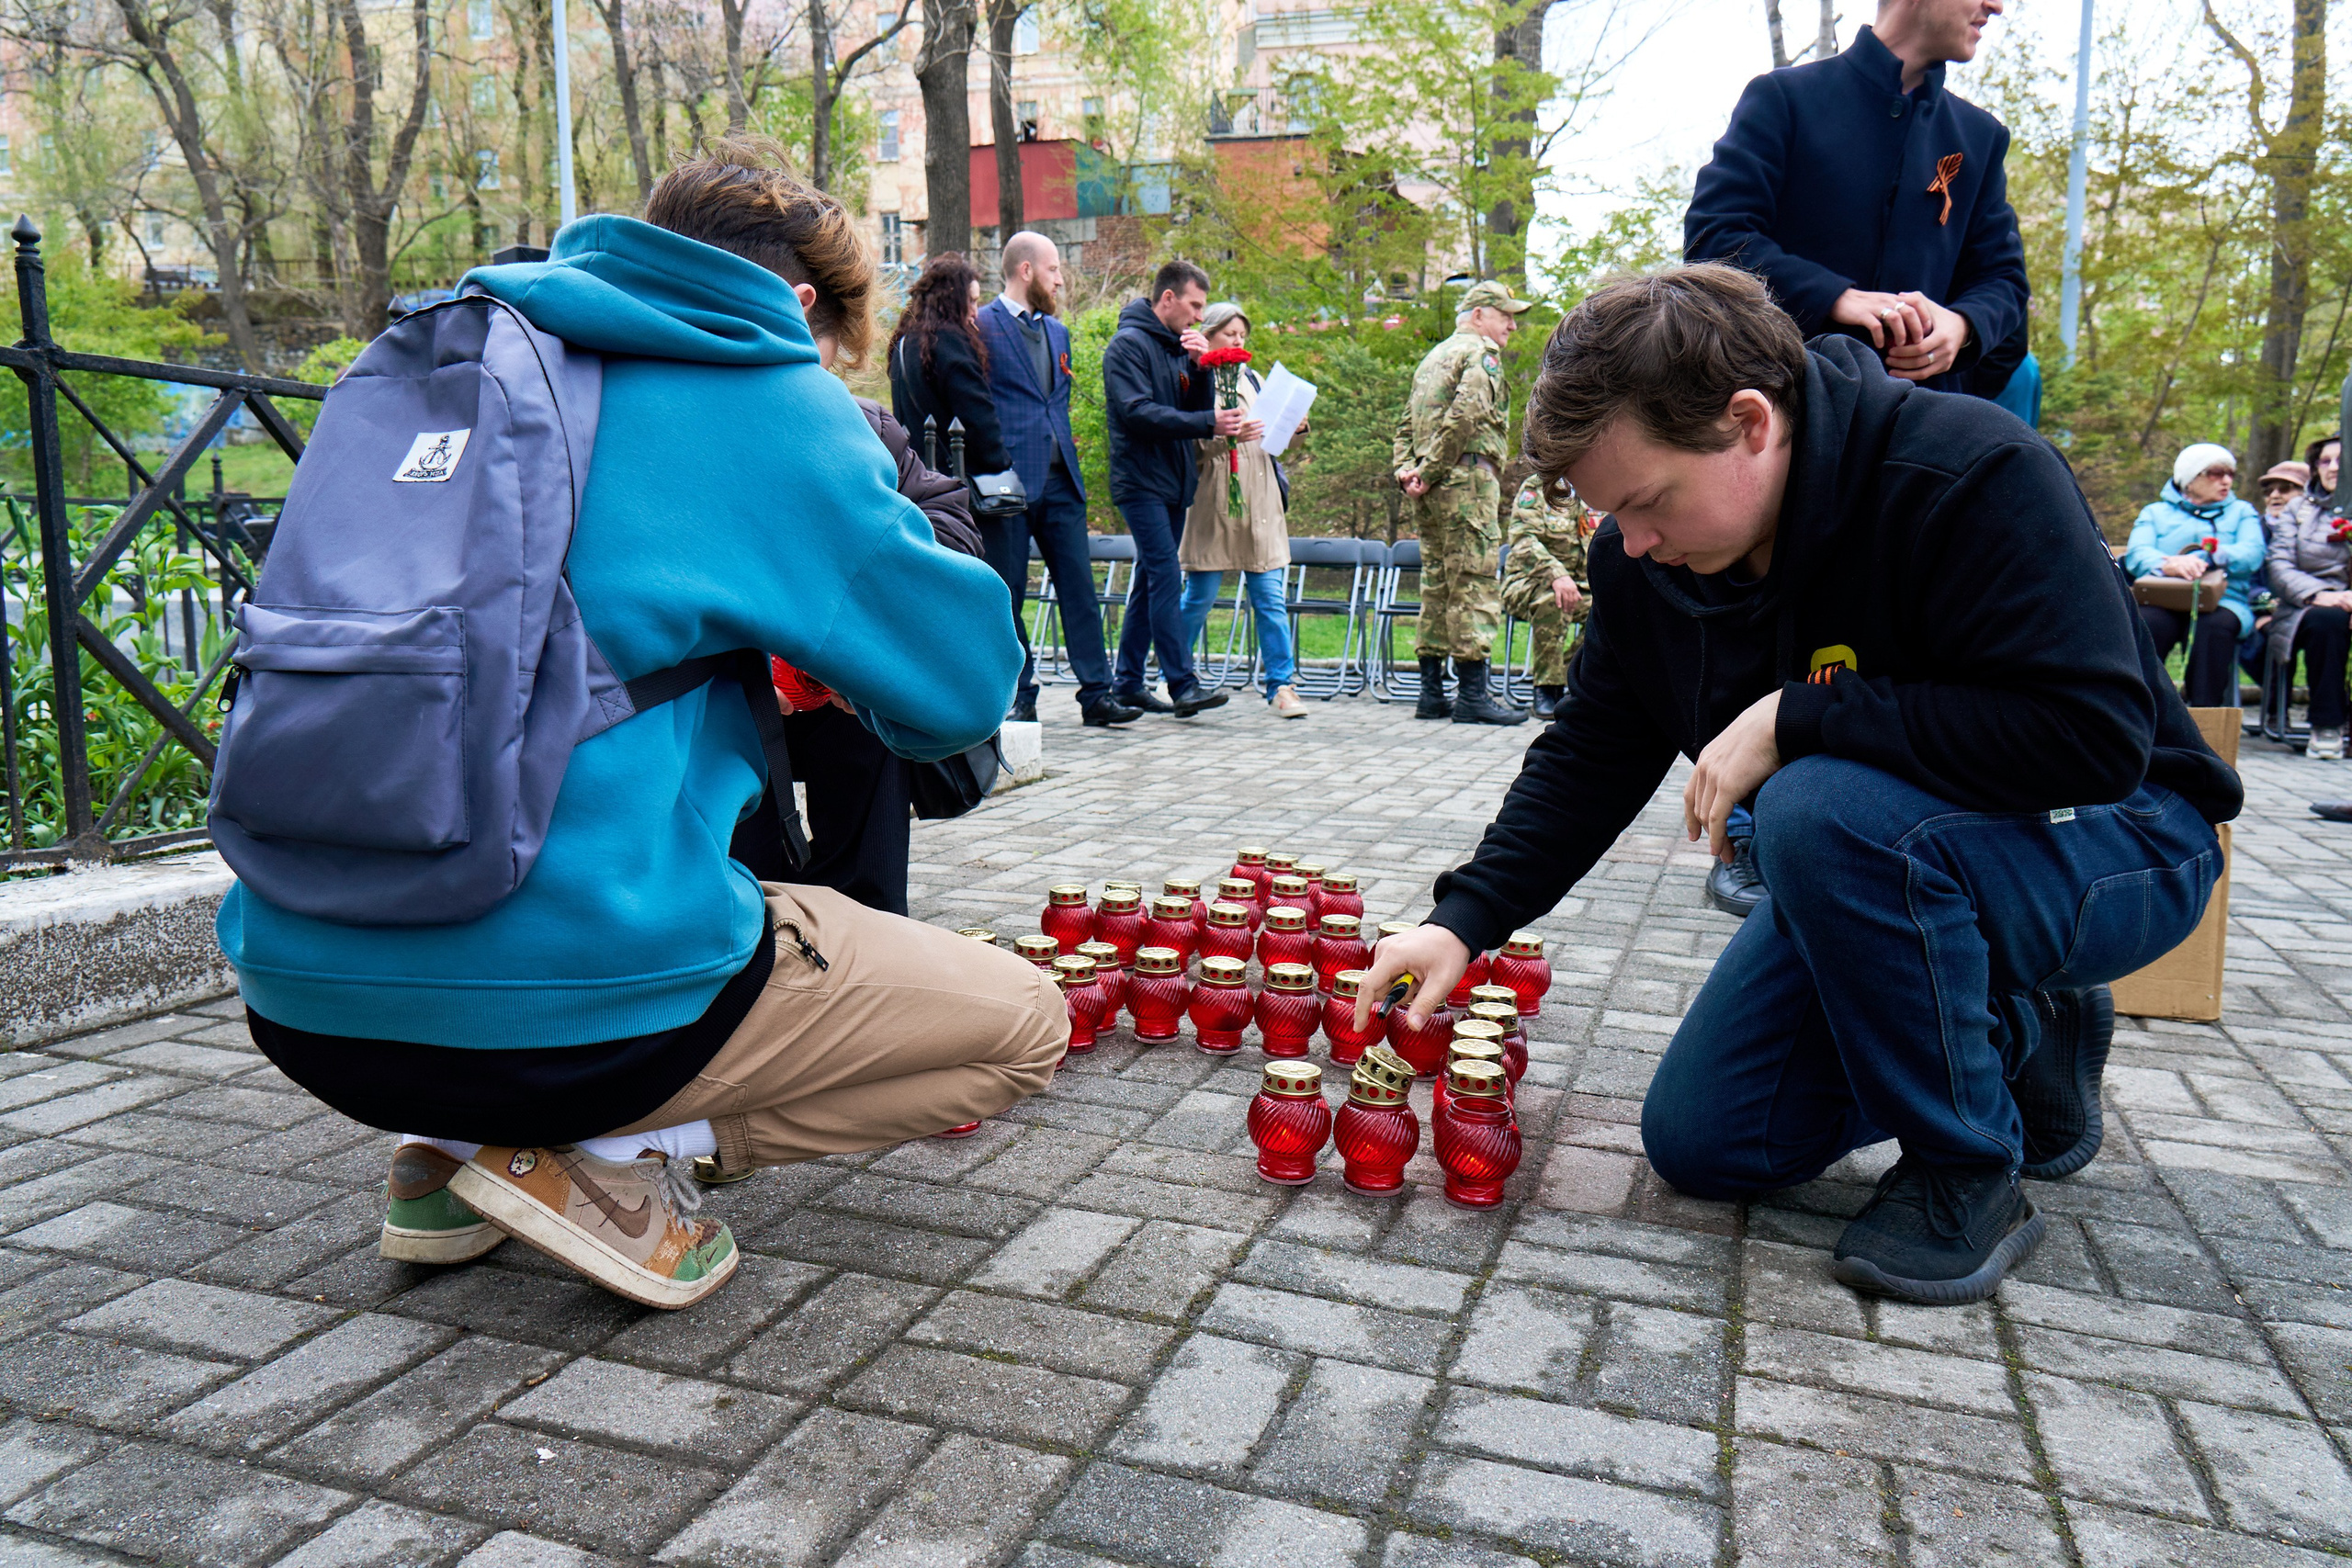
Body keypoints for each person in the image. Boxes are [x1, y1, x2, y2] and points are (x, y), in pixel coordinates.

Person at [224, 138, 1066, 1311]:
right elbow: (962, 691)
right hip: (582, 1011)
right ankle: (610, 1161)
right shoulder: (767, 399)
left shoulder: (445, 358)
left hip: (300, 1001)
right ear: (801, 300)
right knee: (1022, 1024)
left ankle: (449, 1152)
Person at [1359, 265, 2238, 1305]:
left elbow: (2091, 738)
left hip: (2117, 839)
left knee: (1811, 807)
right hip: (1897, 861)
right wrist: (1464, 920)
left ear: (1748, 423)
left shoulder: (1968, 471)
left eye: (1645, 503)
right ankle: (2012, 1030)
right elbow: (1592, 750)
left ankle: (1966, 1168)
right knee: (1707, 1142)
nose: (1631, 545)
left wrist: (1798, 713)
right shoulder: (1649, 566)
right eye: (1613, 518)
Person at [1684, 0, 2027, 397]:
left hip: (1919, 434)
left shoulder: (1981, 137)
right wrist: (1835, 297)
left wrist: (1962, 326)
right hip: (1782, 414)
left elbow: (2003, 280)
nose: (1996, 6)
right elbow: (1714, 237)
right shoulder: (1784, 99)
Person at [977, 232, 1138, 728]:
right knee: (1009, 591)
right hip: (1009, 484)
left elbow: (1056, 405)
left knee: (1080, 591)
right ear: (1025, 270)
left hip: (1061, 481)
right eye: (1054, 270)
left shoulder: (1060, 333)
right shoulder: (982, 325)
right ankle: (1020, 692)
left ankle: (1097, 695)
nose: (1061, 279)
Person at [1102, 258, 1251, 717]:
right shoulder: (1126, 346)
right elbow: (1138, 413)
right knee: (1166, 574)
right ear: (1167, 298)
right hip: (1140, 481)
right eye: (1194, 306)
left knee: (1151, 579)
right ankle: (1182, 684)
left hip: (1173, 481)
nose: (1197, 317)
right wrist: (1209, 422)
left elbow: (1190, 407)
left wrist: (1199, 367)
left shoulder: (1174, 348)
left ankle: (1127, 683)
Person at [1393, 279, 1533, 727]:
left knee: (1436, 581)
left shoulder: (1431, 358)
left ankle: (1431, 693)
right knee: (1472, 579)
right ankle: (1473, 695)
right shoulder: (1480, 355)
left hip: (1430, 485)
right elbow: (1466, 414)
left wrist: (1409, 470)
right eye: (1505, 314)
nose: (1512, 324)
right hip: (1466, 480)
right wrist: (1429, 469)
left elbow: (1403, 423)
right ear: (1478, 316)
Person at [1178, 303, 1306, 718]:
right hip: (1214, 498)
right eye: (1230, 333)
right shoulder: (1195, 379)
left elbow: (1277, 442)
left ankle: (1282, 686)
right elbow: (1189, 441)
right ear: (1210, 334)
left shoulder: (1254, 377)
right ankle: (1174, 672)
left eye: (1243, 335)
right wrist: (1226, 436)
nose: (1238, 341)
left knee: (1269, 597)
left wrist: (1296, 427)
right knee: (1200, 597)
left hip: (1261, 501)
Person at [2125, 444, 2266, 709]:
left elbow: (2253, 553)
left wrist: (2207, 558)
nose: (2226, 480)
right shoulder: (2155, 513)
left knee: (2213, 628)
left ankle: (2205, 717)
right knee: (2147, 624)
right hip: (2163, 597)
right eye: (2215, 473)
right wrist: (2168, 565)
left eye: (2230, 473)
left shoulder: (2242, 512)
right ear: (2189, 479)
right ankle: (2145, 710)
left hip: (2223, 601)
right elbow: (2137, 554)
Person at [2268, 472, 2352, 761]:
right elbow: (2279, 563)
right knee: (2328, 622)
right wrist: (2319, 595)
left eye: (2340, 461)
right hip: (2306, 603)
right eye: (2325, 461)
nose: (2332, 468)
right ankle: (2327, 725)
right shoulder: (2298, 509)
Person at [1501, 473, 1593, 720]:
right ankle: (1545, 690)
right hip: (1529, 582)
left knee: (1611, 611)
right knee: (1554, 601)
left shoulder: (1597, 486)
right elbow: (1523, 539)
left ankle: (1569, 681)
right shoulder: (1539, 486)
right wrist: (1557, 575)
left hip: (1582, 587)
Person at [2259, 460, 2310, 525]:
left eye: (2284, 489)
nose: (2273, 495)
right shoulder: (2254, 529)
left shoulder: (2321, 528)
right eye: (2268, 491)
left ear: (2306, 493)